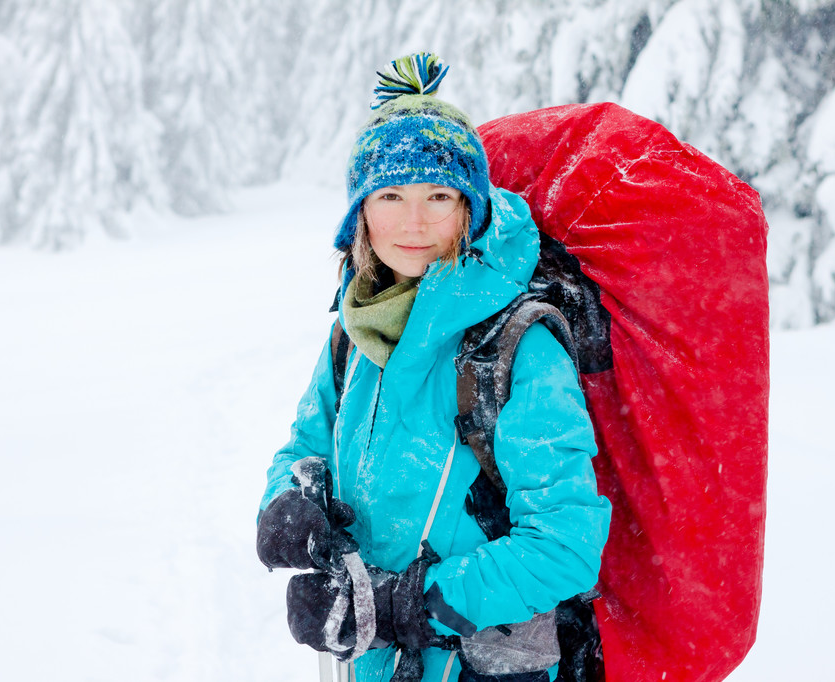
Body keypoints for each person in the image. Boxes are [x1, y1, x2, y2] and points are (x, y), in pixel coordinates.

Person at [257, 53, 611, 682]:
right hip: (371, 664)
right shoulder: (352, 333)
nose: (413, 222)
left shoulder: (518, 344)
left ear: (470, 208)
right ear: (361, 212)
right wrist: (290, 501)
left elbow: (566, 544)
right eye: (391, 195)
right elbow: (307, 446)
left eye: (438, 196)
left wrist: (407, 605)